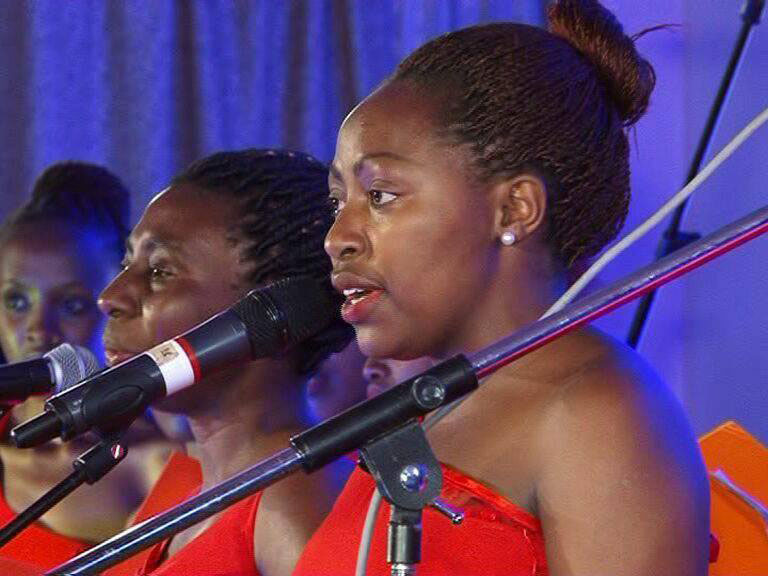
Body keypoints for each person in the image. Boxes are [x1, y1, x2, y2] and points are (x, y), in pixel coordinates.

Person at [293, 2, 710, 575]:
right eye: (338, 202)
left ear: (514, 208)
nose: (338, 237)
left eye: (381, 196)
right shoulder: (422, 412)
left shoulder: (598, 412)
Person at [98, 149, 352, 576]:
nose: (111, 297)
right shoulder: (177, 494)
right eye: (127, 264)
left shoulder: (297, 492)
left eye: (160, 272)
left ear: (272, 310)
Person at [0, 162, 172, 570]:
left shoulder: (157, 462)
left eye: (73, 305)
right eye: (17, 302)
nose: (39, 330)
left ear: (118, 307)